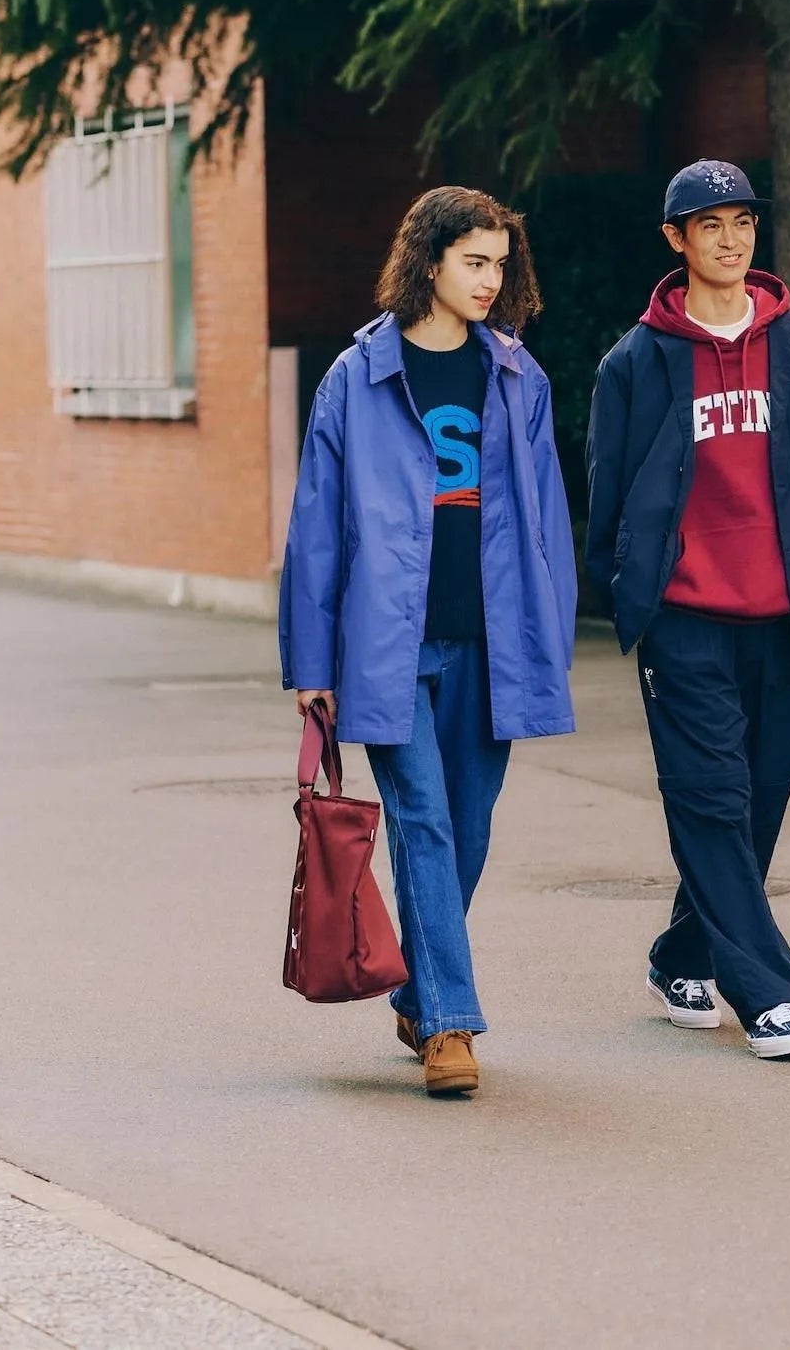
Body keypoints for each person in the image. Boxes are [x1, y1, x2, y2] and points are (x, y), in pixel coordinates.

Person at [279, 186, 576, 1096]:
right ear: (429, 261)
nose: (489, 280)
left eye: (499, 264)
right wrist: (312, 662)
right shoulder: (357, 377)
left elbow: (549, 522)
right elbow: (316, 527)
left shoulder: (518, 376)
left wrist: (551, 635)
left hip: (492, 639)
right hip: (389, 643)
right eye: (473, 261)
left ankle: (416, 990)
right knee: (423, 819)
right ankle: (450, 1024)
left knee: (468, 829)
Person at [586, 159, 790, 1061]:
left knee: (757, 804)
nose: (732, 238)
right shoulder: (636, 362)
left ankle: (682, 956)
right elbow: (608, 495)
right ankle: (771, 994)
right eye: (710, 224)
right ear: (677, 239)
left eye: (743, 221)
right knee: (710, 798)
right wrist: (629, 597)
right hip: (685, 619)